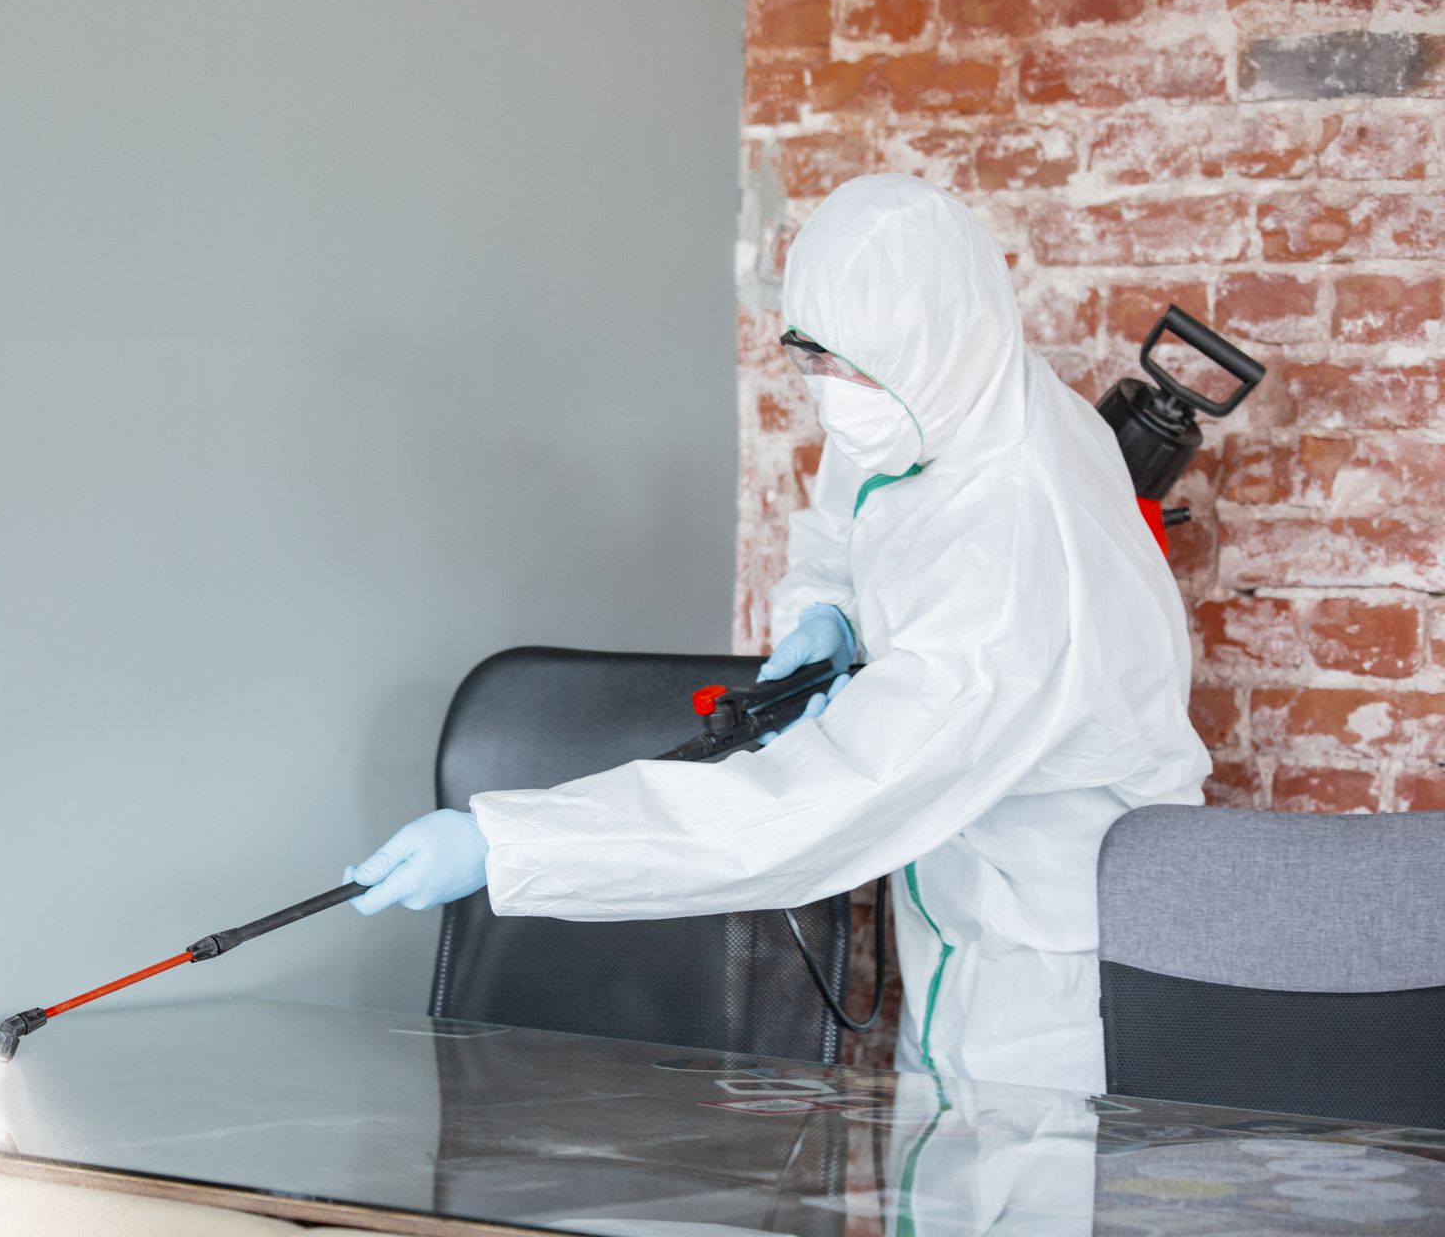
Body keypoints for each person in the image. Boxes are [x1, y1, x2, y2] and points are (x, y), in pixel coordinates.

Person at [344, 173, 1209, 1093]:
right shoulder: (946, 392)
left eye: (856, 371)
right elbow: (849, 518)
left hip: (1051, 973)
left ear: (943, 343)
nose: (835, 395)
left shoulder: (1016, 549)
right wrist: (827, 613)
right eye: (815, 358)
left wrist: (510, 846)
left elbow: (808, 809)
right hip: (964, 916)